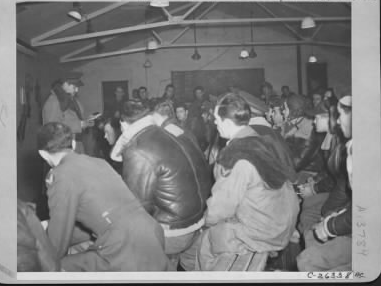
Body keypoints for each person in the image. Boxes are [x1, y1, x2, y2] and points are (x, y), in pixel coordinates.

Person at [37, 122, 171, 271]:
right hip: (150, 232)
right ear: (73, 144)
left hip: (123, 248)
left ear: (42, 153)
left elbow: (56, 245)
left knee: (52, 267)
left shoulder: (60, 175)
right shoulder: (99, 162)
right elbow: (100, 215)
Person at [197, 93, 299, 271]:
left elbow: (220, 207)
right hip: (284, 223)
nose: (214, 123)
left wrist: (203, 222)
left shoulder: (236, 156)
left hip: (263, 232)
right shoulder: (263, 142)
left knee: (206, 242)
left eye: (216, 119)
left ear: (227, 123)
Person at [111, 100, 212, 271]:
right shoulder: (174, 132)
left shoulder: (137, 148)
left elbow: (137, 206)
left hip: (172, 232)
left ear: (123, 123)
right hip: (198, 221)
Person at [297, 95, 352, 271]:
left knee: (311, 209)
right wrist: (314, 183)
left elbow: (341, 184)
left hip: (352, 217)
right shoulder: (336, 139)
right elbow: (331, 172)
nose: (313, 121)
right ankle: (309, 241)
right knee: (310, 207)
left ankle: (311, 246)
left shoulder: (344, 143)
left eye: (318, 117)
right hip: (343, 202)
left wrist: (329, 220)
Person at [42, 73, 93, 153]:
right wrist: (79, 125)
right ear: (65, 84)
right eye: (74, 87)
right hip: (61, 148)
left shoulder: (71, 100)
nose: (77, 90)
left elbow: (73, 119)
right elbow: (52, 127)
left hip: (76, 143)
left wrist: (86, 121)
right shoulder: (53, 101)